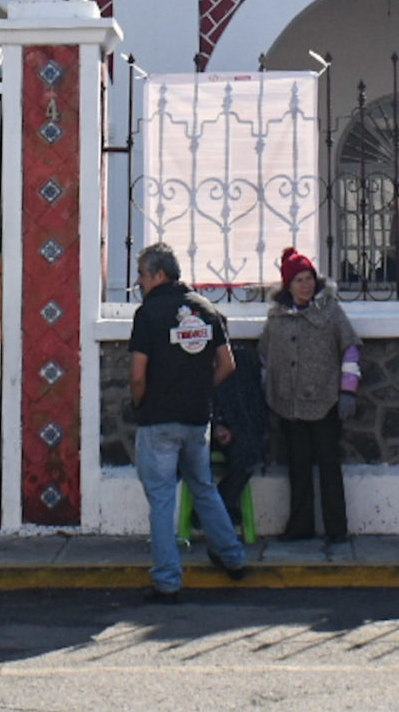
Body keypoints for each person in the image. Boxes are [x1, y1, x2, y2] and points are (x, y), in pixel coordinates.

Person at [128, 244, 249, 600]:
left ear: (158, 275)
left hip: (159, 419)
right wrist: (201, 391)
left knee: (163, 500)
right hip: (197, 418)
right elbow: (227, 365)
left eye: (142, 274)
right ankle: (233, 558)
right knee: (203, 487)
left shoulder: (148, 314)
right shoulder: (206, 309)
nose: (139, 281)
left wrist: (141, 403)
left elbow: (138, 374)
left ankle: (167, 579)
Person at [263, 248, 360, 550]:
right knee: (298, 467)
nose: (306, 285)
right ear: (288, 285)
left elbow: (351, 348)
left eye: (309, 279)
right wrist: (269, 395)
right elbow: (266, 357)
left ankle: (337, 529)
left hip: (326, 401)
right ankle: (300, 526)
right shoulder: (277, 318)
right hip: (289, 406)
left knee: (329, 466)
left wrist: (347, 391)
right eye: (299, 280)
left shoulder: (331, 312)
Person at [208, 338, 266, 537]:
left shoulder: (241, 361)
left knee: (249, 452)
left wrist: (232, 428)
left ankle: (215, 509)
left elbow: (251, 401)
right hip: (202, 430)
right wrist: (215, 426)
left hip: (235, 427)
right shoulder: (191, 362)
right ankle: (221, 511)